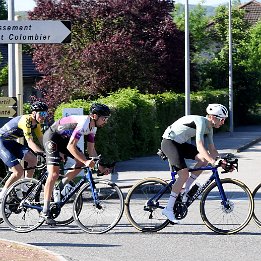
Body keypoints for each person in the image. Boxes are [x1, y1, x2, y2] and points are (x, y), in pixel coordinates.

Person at [41, 103, 111, 225]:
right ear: (94, 116)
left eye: (106, 118)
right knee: (54, 174)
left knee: (80, 163)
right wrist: (86, 161)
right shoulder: (84, 122)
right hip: (52, 137)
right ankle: (45, 210)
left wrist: (100, 166)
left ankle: (59, 187)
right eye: (104, 118)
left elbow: (91, 150)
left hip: (63, 140)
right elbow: (71, 146)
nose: (105, 121)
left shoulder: (93, 127)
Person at [161, 103, 228, 223]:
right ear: (213, 117)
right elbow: (200, 145)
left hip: (180, 144)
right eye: (222, 119)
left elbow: (212, 150)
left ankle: (186, 190)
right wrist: (213, 161)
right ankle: (168, 209)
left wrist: (222, 162)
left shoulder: (209, 128)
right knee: (183, 174)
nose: (223, 122)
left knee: (203, 160)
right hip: (169, 143)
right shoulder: (201, 122)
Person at [0, 101, 48, 200]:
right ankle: (2, 194)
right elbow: (30, 142)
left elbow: (42, 140)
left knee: (32, 159)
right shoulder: (26, 120)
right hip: (1, 142)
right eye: (42, 113)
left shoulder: (37, 124)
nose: (44, 116)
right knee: (18, 172)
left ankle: (25, 185)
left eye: (45, 113)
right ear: (34, 113)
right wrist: (43, 154)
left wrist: (50, 152)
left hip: (10, 142)